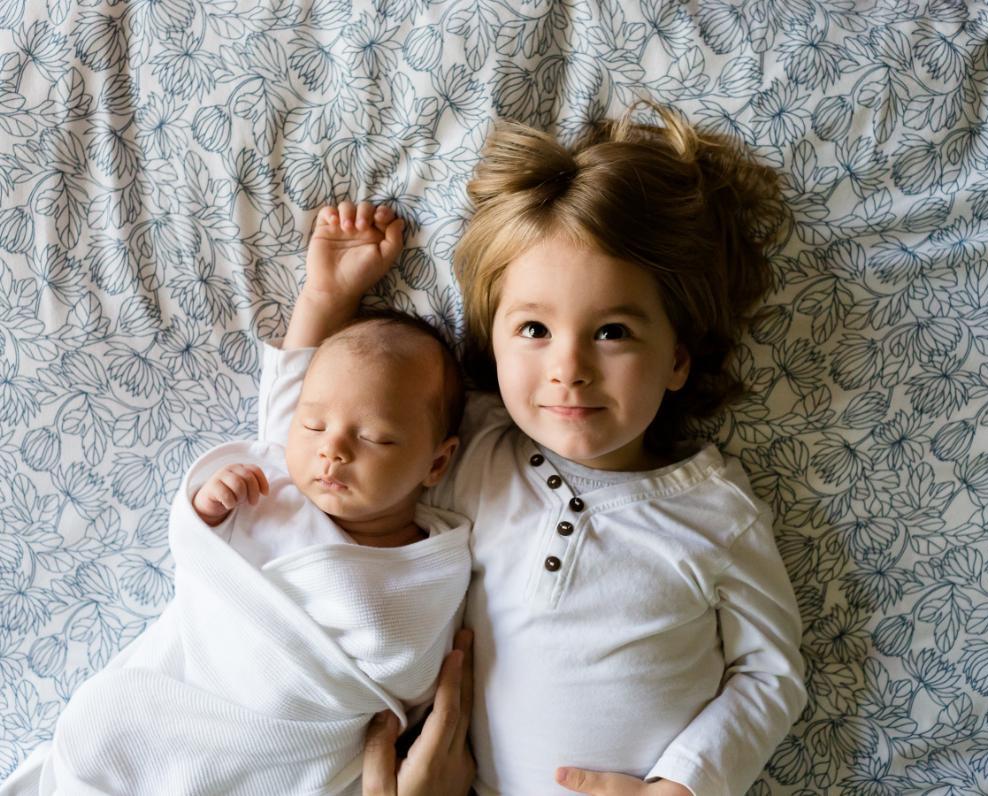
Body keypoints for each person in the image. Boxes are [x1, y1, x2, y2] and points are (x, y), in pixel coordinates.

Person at [262, 101, 807, 796]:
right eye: (533, 331)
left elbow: (770, 673)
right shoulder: (468, 452)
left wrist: (684, 784)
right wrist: (324, 301)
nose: (568, 369)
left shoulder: (714, 512)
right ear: (491, 343)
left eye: (612, 332)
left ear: (677, 359)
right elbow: (308, 444)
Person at [0, 205, 473, 796]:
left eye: (375, 437)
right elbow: (293, 386)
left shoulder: (435, 564)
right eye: (313, 425)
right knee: (106, 736)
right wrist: (327, 292)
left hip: (285, 746)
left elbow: (410, 671)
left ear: (436, 463)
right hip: (176, 703)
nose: (331, 450)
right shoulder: (276, 481)